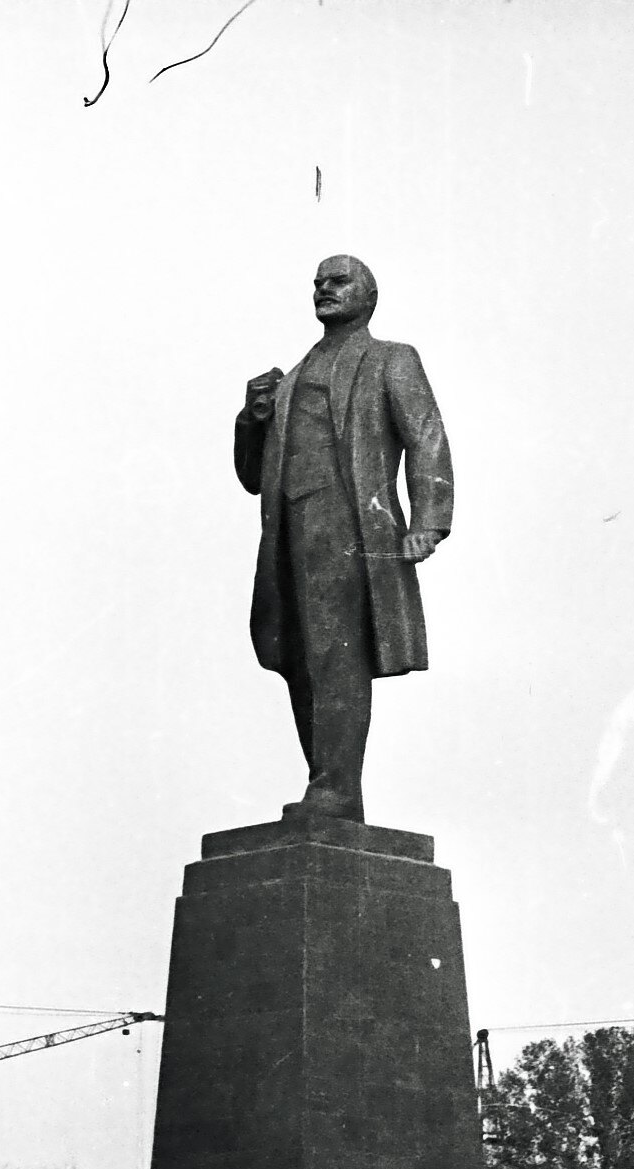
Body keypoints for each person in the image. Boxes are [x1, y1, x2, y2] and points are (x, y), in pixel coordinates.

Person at [235, 256, 452, 824]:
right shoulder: (289, 380)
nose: (323, 290)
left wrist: (427, 522)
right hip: (287, 533)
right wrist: (252, 419)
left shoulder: (391, 359)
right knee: (297, 657)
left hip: (351, 529)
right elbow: (253, 477)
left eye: (338, 282)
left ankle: (336, 788)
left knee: (336, 653)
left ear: (368, 296)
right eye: (317, 283)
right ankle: (327, 784)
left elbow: (426, 437)